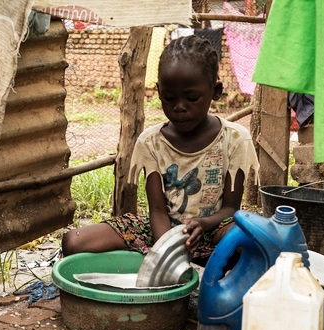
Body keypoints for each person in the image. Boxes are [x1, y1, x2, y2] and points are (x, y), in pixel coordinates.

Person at [62, 35, 259, 266]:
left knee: (246, 240)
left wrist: (203, 224)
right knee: (73, 242)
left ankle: (207, 265)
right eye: (168, 97)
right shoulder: (151, 142)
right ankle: (163, 260)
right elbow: (157, 210)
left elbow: (230, 208)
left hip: (213, 230)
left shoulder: (235, 139)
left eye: (191, 98)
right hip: (162, 229)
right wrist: (169, 247)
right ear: (158, 91)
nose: (179, 107)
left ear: (215, 91)